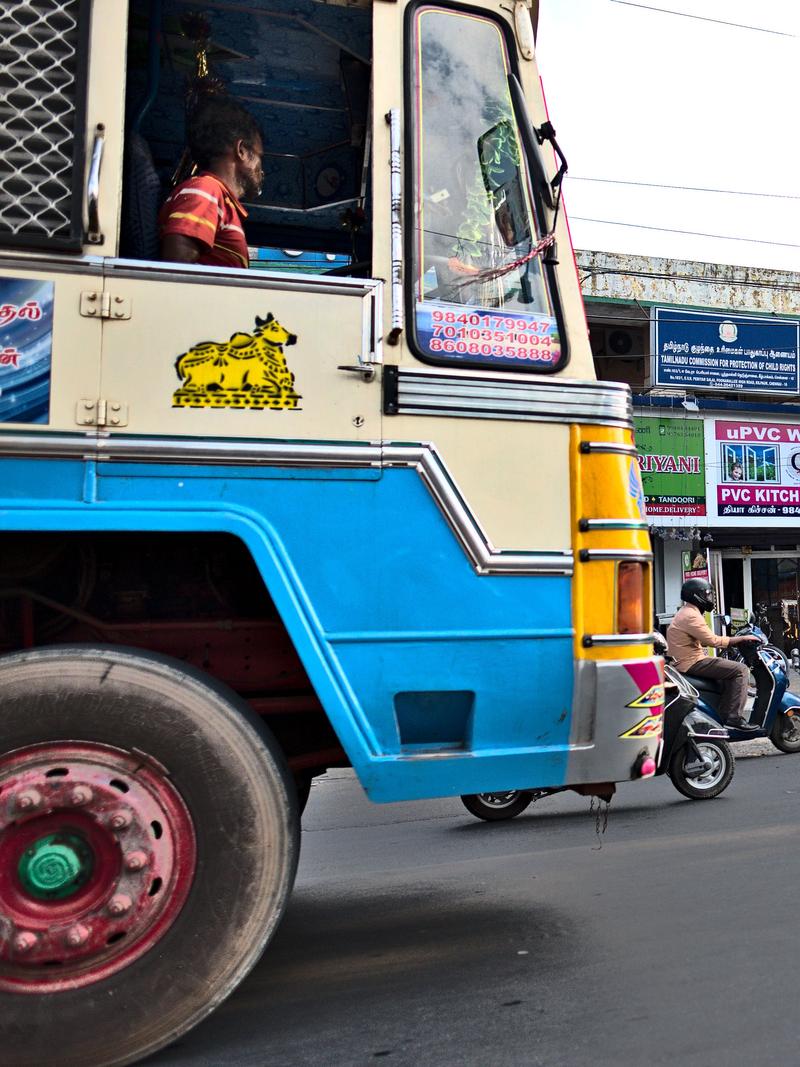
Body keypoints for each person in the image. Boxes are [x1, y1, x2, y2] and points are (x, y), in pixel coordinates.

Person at [159, 98, 264, 269]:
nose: (261, 168)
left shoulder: (217, 198)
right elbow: (177, 267)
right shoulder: (206, 190)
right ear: (242, 150)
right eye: (260, 156)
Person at [667, 578, 761, 730]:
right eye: (707, 595)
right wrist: (741, 638)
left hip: (687, 659)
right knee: (741, 670)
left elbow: (703, 640)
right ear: (696, 596)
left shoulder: (686, 611)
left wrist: (731, 642)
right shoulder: (691, 615)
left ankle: (722, 714)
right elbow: (712, 640)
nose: (709, 599)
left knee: (727, 672)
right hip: (691, 662)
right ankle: (733, 717)